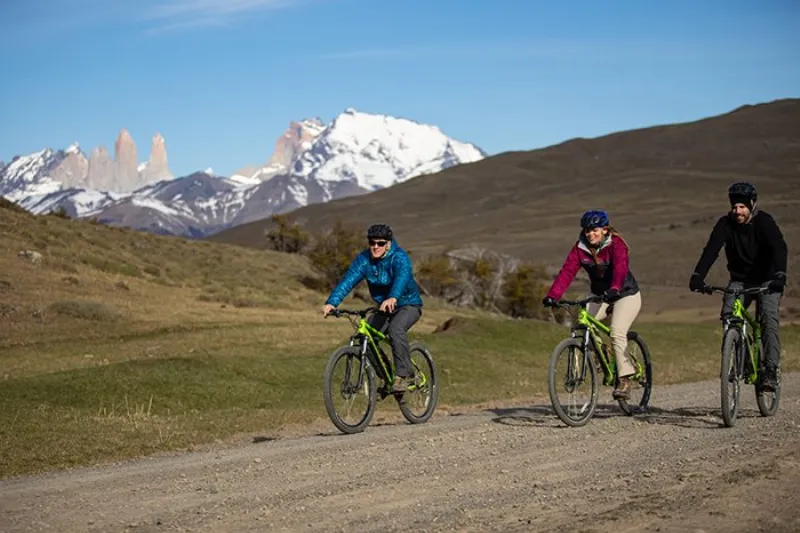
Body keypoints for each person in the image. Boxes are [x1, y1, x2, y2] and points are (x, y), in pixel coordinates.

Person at [689, 182, 788, 392]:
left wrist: (780, 274)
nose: (737, 211)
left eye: (742, 207)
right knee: (729, 315)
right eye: (734, 206)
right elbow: (711, 250)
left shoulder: (764, 222)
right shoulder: (725, 224)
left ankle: (771, 370)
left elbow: (779, 247)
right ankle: (739, 357)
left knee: (768, 319)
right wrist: (698, 276)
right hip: (740, 280)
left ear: (751, 205)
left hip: (768, 280)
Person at [542, 209, 642, 399]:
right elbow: (567, 272)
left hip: (625, 293)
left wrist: (615, 288)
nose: (590, 234)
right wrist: (553, 296)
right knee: (584, 323)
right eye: (587, 230)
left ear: (605, 229)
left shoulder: (616, 244)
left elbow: (620, 268)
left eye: (595, 230)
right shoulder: (580, 248)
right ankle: (601, 353)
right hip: (599, 295)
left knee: (617, 331)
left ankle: (624, 379)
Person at [322, 223, 423, 393]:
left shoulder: (399, 257)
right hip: (384, 307)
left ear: (388, 243)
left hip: (408, 304)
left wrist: (393, 297)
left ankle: (403, 375)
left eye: (381, 243)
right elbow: (348, 280)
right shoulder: (364, 260)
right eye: (372, 242)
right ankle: (386, 376)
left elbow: (402, 277)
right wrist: (332, 302)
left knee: (396, 329)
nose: (376, 247)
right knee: (365, 339)